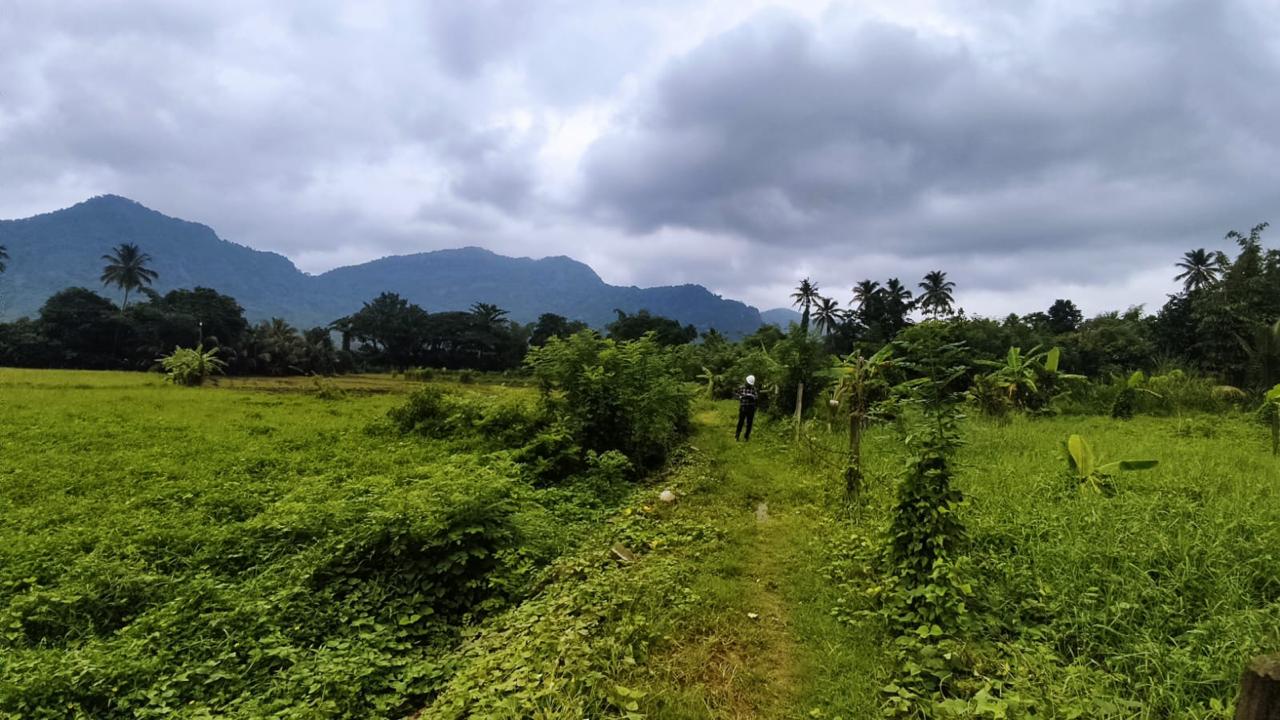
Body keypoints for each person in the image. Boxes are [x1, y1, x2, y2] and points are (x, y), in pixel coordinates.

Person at [735, 375, 759, 441]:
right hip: (743, 407)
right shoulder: (741, 387)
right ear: (746, 381)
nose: (749, 385)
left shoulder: (754, 389)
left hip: (751, 408)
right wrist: (741, 397)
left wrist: (752, 397)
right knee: (741, 422)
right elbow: (737, 395)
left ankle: (746, 436)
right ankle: (737, 435)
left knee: (749, 423)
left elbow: (756, 397)